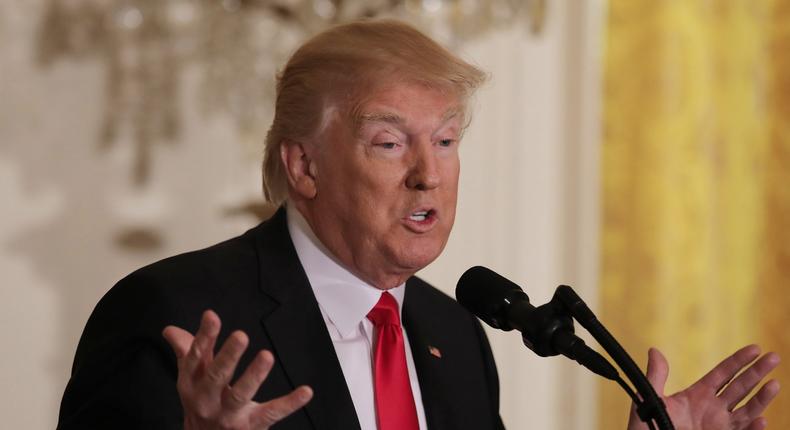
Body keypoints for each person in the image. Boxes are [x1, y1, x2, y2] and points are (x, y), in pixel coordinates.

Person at [58, 20, 780, 430]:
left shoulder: (455, 335)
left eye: (444, 140)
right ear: (304, 167)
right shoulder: (173, 314)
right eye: (390, 142)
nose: (428, 174)